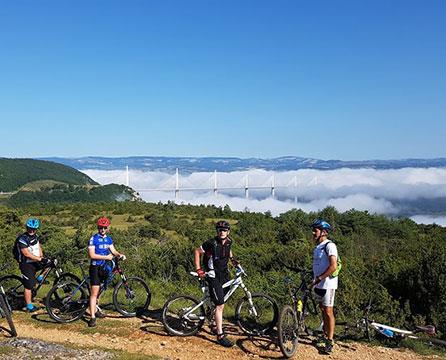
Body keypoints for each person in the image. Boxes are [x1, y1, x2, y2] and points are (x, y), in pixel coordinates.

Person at [194, 220, 238, 348]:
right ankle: (220, 335)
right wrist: (198, 269)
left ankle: (212, 321)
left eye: (224, 230)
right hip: (213, 276)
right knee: (220, 305)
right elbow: (197, 251)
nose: (222, 232)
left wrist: (234, 262)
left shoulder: (229, 241)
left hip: (224, 275)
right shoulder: (211, 243)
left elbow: (229, 252)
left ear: (228, 231)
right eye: (219, 230)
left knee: (219, 300)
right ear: (217, 231)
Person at [87, 217, 126, 327]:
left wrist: (119, 255)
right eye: (100, 227)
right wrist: (106, 258)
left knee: (101, 289)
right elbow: (91, 255)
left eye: (104, 228)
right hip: (95, 268)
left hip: (104, 268)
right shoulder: (93, 239)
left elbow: (113, 251)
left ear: (107, 228)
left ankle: (96, 309)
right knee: (94, 293)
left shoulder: (109, 239)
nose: (102, 229)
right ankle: (92, 317)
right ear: (97, 228)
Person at [310, 219, 338, 354]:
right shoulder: (317, 247)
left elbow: (333, 266)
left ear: (324, 232)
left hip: (328, 284)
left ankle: (330, 341)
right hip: (318, 283)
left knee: (328, 311)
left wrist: (320, 278)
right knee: (322, 309)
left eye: (315, 230)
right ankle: (324, 334)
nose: (313, 232)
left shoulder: (330, 246)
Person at [15, 218, 50, 313]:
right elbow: (26, 253)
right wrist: (39, 259)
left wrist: (42, 256)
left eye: (34, 229)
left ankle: (40, 278)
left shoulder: (35, 236)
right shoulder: (22, 239)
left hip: (35, 260)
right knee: (29, 286)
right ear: (27, 228)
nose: (32, 231)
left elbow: (38, 246)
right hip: (26, 264)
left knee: (49, 264)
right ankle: (29, 306)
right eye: (30, 228)